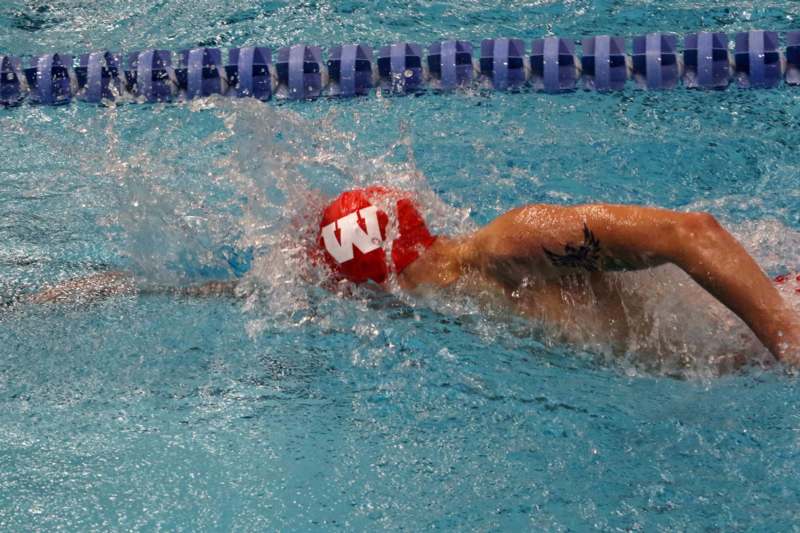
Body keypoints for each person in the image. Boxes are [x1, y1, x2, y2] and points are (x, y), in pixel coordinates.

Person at [16, 186, 800, 368]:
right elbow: (246, 289)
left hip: (770, 320)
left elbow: (690, 233)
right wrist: (115, 288)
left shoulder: (511, 245)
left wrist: (787, 339)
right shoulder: (438, 287)